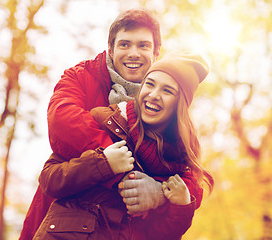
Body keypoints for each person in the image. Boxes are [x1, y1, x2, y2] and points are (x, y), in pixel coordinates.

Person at [18, 8, 201, 239]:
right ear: (111, 48)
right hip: (68, 220)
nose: (133, 53)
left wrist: (158, 192)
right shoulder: (81, 76)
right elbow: (64, 123)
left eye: (143, 45)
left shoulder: (167, 101)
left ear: (156, 52)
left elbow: (191, 177)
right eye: (125, 44)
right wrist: (122, 169)